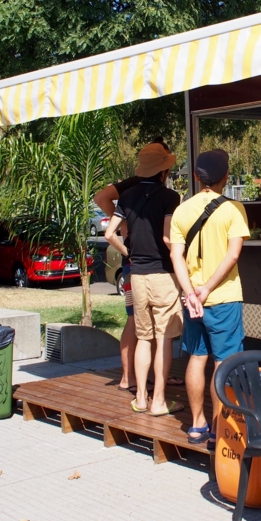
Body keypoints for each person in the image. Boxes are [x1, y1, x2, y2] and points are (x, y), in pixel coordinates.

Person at [170, 149, 250, 449]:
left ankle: (196, 424)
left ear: (196, 176)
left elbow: (176, 256)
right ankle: (219, 427)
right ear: (226, 177)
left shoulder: (181, 210)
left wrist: (191, 292)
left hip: (192, 301)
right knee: (224, 362)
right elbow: (233, 254)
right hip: (224, 297)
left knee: (197, 357)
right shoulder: (234, 210)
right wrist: (207, 289)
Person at [105, 143, 184, 417]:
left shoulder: (127, 196)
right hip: (163, 274)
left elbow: (109, 234)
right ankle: (159, 401)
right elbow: (166, 236)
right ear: (163, 170)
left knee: (143, 337)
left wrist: (129, 251)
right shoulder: (171, 197)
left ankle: (140, 398)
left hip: (136, 275)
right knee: (164, 338)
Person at [95, 136, 171, 393]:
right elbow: (101, 196)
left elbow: (108, 232)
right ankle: (143, 386)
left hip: (136, 267)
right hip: (154, 267)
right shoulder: (159, 192)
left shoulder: (131, 194)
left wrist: (128, 235)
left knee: (143, 330)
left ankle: (140, 389)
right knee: (154, 333)